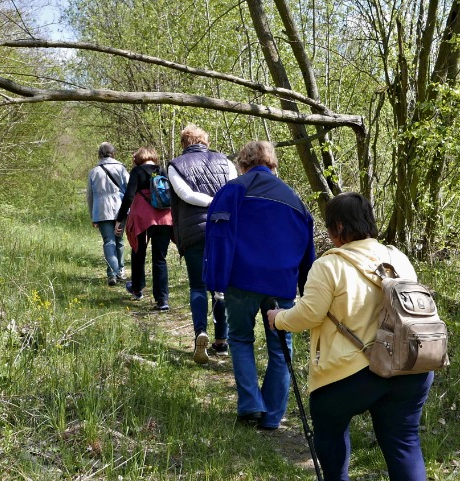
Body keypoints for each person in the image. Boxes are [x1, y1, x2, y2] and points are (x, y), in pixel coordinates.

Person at [266, 192, 434, 481]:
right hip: (411, 365)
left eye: (330, 227)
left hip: (354, 371)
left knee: (328, 419)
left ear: (338, 227)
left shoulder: (330, 264)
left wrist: (278, 319)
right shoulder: (397, 257)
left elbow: (308, 314)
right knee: (404, 440)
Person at [204, 140, 315, 430]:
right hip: (282, 283)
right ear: (272, 163)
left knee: (240, 339)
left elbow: (218, 235)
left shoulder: (235, 189)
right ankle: (272, 417)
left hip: (241, 279)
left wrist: (214, 279)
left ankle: (251, 404)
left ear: (243, 162)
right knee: (281, 348)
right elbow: (308, 247)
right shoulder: (294, 198)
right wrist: (306, 287)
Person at [168, 124, 237, 363]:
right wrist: (218, 202)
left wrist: (208, 201)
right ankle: (222, 341)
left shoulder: (175, 165)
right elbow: (234, 189)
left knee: (197, 286)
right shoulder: (225, 161)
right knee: (220, 287)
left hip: (194, 233)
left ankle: (200, 332)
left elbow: (185, 194)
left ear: (184, 143)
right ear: (204, 141)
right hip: (223, 229)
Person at [115, 147, 173, 311]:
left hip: (142, 218)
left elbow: (129, 196)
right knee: (160, 259)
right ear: (153, 157)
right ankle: (162, 300)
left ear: (138, 159)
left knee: (138, 252)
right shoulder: (161, 170)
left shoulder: (137, 171)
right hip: (164, 217)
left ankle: (137, 289)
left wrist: (120, 219)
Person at [86, 142, 129, 285]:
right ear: (113, 153)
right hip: (120, 209)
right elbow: (129, 189)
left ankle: (112, 273)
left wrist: (92, 214)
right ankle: (121, 270)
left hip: (101, 210)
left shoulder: (94, 172)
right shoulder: (121, 168)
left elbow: (90, 196)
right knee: (119, 239)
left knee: (108, 241)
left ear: (99, 154)